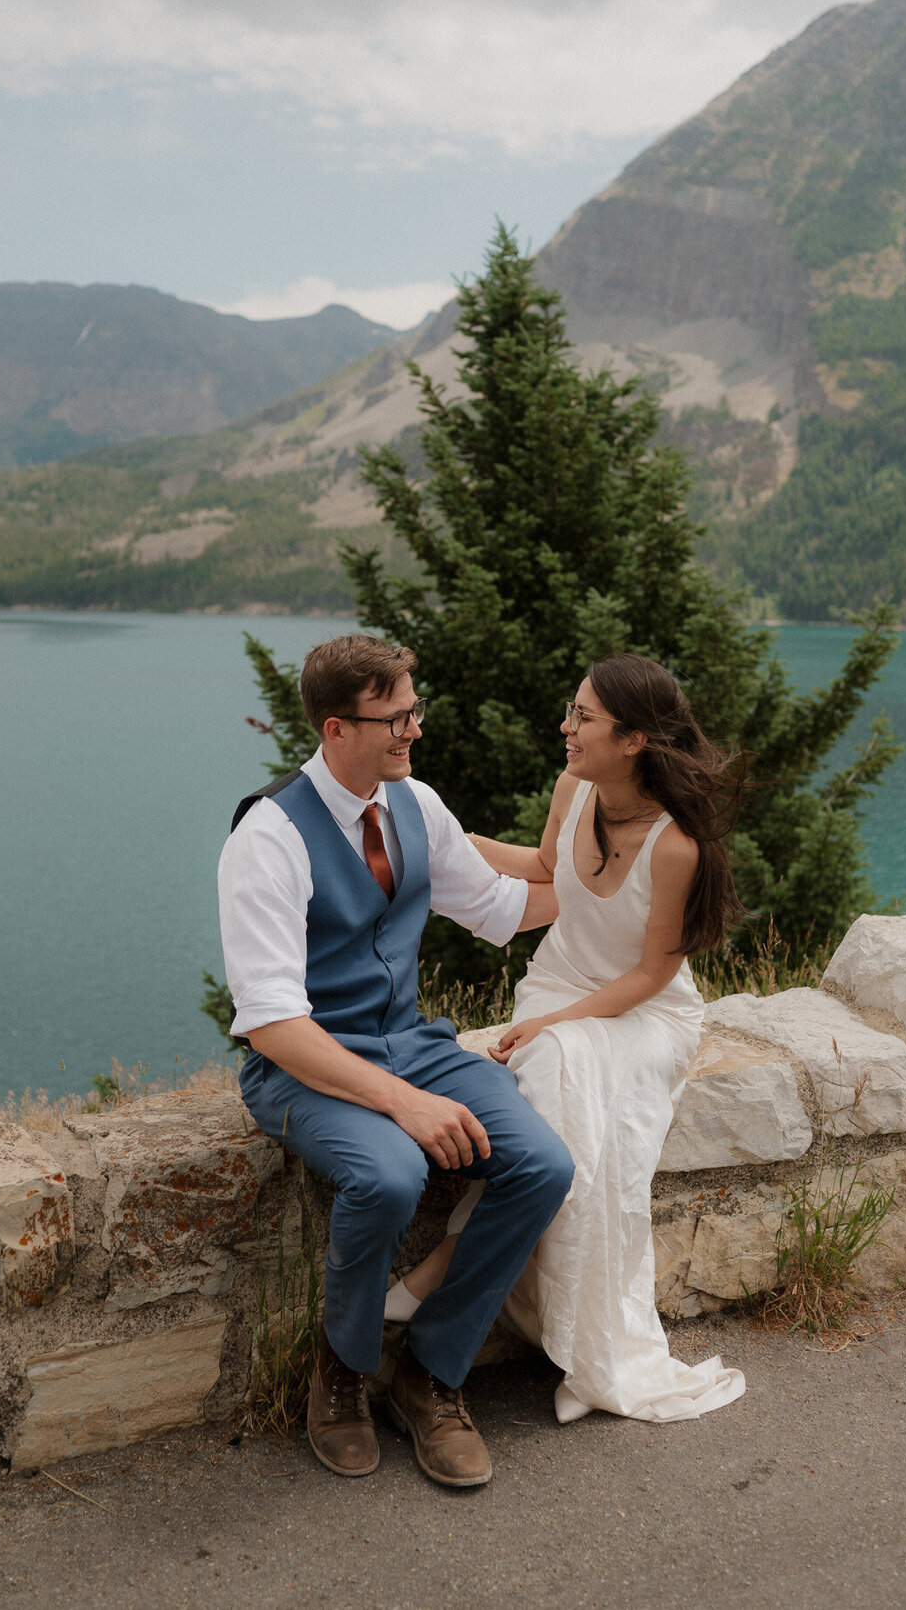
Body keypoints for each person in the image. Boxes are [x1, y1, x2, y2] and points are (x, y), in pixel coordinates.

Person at [218, 634, 574, 1488]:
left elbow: (496, 905)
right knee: (387, 1174)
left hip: (411, 1043)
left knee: (543, 1163)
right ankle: (339, 1373)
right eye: (395, 717)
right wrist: (401, 1105)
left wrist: (625, 886)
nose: (413, 729)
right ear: (336, 728)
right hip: (304, 1067)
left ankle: (428, 1373)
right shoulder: (267, 838)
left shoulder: (414, 803)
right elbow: (271, 1024)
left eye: (415, 708)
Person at [389, 653, 747, 1425]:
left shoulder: (678, 843)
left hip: (643, 1014)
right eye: (572, 708)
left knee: (550, 1063)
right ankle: (473, 1277)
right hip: (561, 985)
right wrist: (445, 835)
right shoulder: (574, 788)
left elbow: (654, 974)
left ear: (634, 739)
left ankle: (448, 1262)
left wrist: (552, 1023)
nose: (566, 725)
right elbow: (547, 868)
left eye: (583, 716)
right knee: (552, 1073)